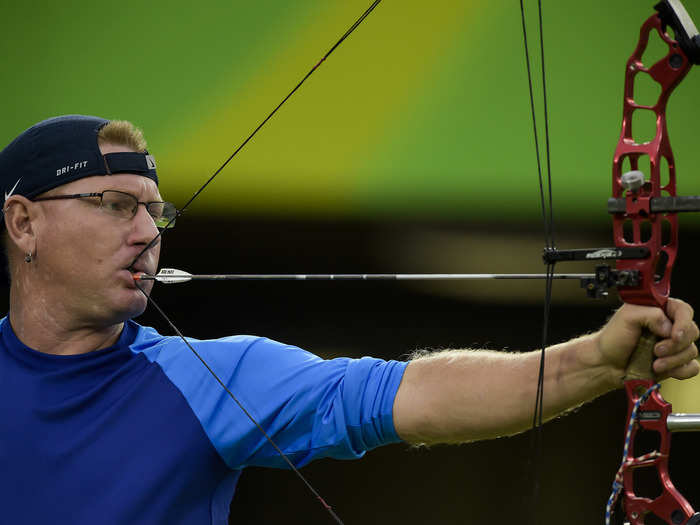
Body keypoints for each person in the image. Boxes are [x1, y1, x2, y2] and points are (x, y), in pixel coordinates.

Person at [0, 115, 697, 525]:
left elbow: (410, 394)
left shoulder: (205, 380)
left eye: (157, 210)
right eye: (117, 204)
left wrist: (602, 359)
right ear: (24, 222)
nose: (147, 231)